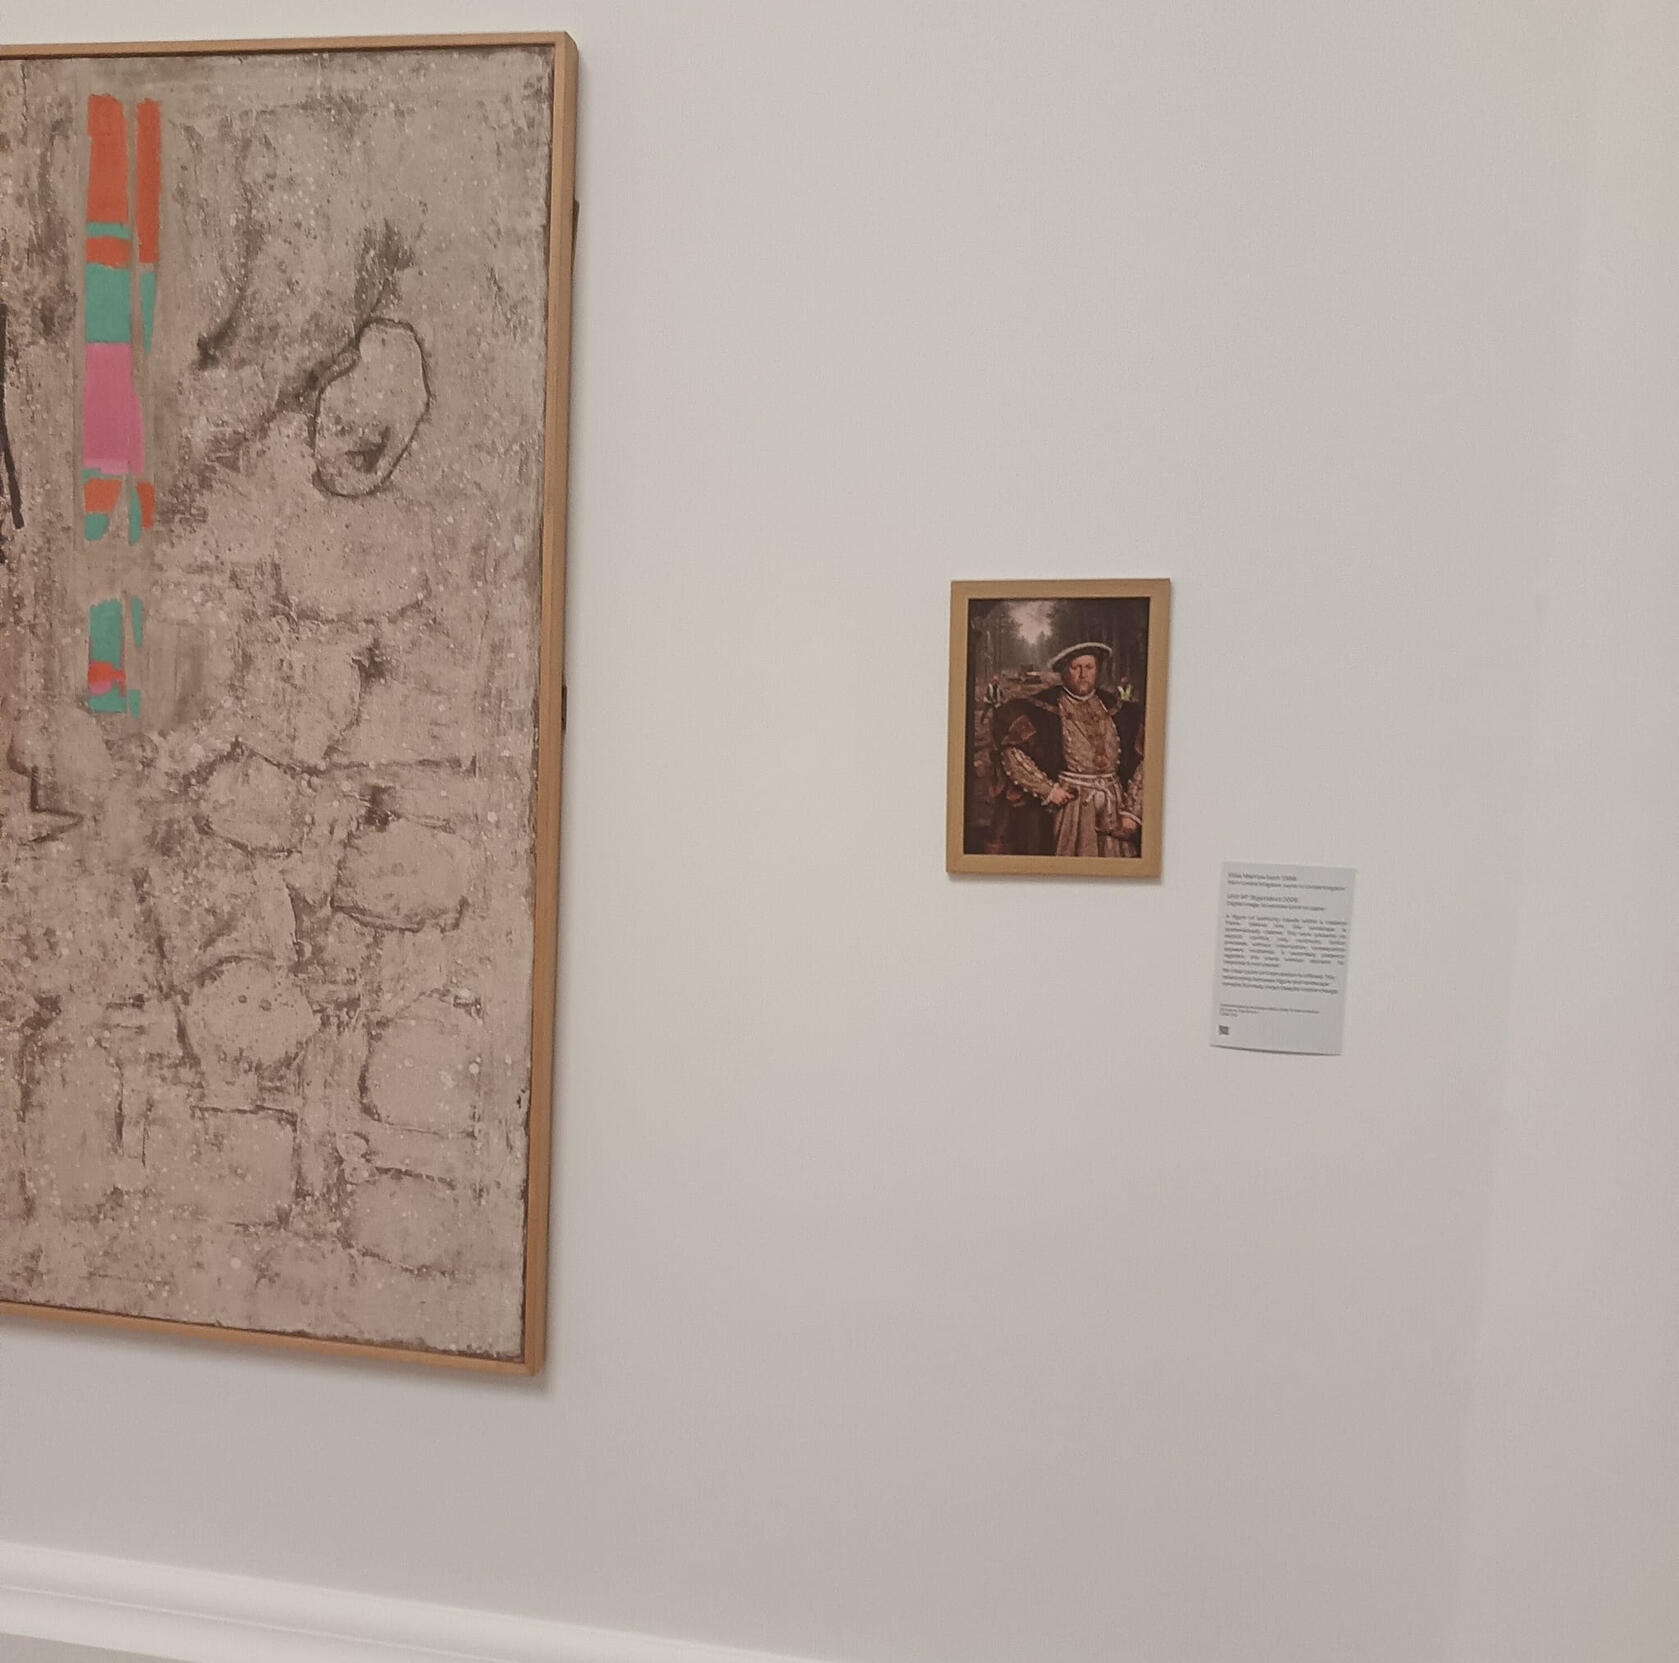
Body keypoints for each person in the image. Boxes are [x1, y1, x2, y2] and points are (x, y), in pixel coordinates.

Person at [989, 641, 1141, 857]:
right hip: (1072, 805)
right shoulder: (1039, 709)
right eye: (1076, 667)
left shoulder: (1120, 710)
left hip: (1115, 805)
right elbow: (1011, 754)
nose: (1083, 674)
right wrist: (1049, 791)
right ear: (1063, 672)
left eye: (1089, 667)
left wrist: (1132, 813)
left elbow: (1146, 762)